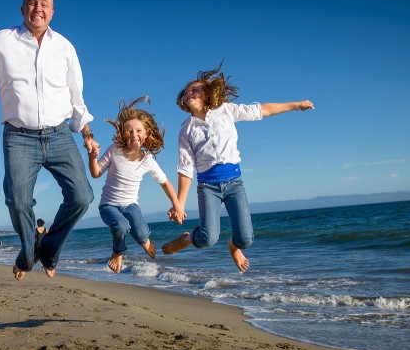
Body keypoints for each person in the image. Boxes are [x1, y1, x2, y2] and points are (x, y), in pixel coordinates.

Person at [0, 0, 99, 281]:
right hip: (19, 136)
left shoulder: (65, 47)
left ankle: (46, 250)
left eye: (44, 4)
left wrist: (87, 134)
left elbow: (77, 99)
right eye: (32, 3)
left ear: (52, 12)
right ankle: (29, 251)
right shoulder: (2, 40)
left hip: (60, 135)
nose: (38, 8)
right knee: (18, 201)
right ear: (22, 10)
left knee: (82, 196)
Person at [162, 61, 314, 272]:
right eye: (187, 91)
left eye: (195, 89)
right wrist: (179, 204)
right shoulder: (186, 131)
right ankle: (188, 238)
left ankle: (233, 246)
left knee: (245, 239)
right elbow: (185, 169)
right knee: (207, 239)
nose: (190, 93)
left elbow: (262, 110)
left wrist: (296, 105)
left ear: (207, 94)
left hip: (234, 183)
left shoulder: (226, 111)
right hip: (208, 187)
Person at [88, 97, 185, 273]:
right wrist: (92, 157)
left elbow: (165, 183)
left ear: (146, 134)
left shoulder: (147, 159)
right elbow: (95, 174)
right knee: (121, 226)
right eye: (129, 130)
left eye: (138, 130)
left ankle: (145, 242)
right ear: (122, 133)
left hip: (131, 205)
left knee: (141, 234)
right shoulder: (114, 150)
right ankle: (117, 253)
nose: (134, 134)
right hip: (108, 206)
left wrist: (177, 205)